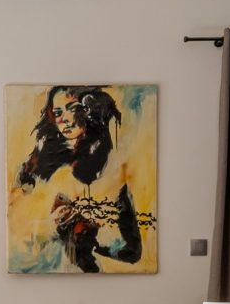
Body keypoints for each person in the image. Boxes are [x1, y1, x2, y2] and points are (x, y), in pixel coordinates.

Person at [12, 85, 146, 273]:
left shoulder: (113, 166)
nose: (64, 119)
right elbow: (21, 229)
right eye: (57, 112)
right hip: (49, 266)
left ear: (91, 110)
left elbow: (132, 250)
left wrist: (93, 233)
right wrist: (52, 224)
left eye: (73, 108)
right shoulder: (39, 166)